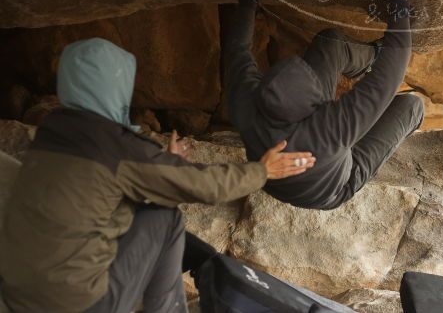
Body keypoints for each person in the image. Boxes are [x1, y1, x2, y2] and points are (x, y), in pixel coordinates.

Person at [0, 37, 315, 313]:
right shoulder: (115, 146)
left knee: (141, 207)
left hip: (21, 294)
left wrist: (163, 164)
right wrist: (263, 170)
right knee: (164, 218)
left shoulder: (52, 133)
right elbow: (203, 186)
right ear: (114, 86)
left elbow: (105, 186)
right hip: (79, 304)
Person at [224, 0, 425, 210]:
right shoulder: (327, 130)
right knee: (412, 106)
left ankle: (373, 55)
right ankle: (350, 152)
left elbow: (236, 49)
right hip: (332, 187)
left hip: (273, 171)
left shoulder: (247, 101)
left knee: (330, 44)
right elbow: (391, 75)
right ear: (313, 109)